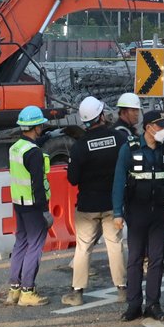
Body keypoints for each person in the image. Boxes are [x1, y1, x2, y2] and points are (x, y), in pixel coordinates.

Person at [113, 108, 164, 323]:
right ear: (149, 128)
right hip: (137, 212)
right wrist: (118, 212)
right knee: (134, 259)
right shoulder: (129, 149)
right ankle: (134, 304)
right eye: (161, 127)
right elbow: (118, 182)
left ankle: (153, 303)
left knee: (157, 259)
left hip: (160, 212)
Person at [62, 96, 127, 305]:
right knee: (115, 245)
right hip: (112, 204)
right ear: (101, 116)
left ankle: (77, 293)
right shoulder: (118, 139)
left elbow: (72, 179)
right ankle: (122, 289)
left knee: (83, 248)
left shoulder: (80, 147)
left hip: (87, 206)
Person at [5, 105, 53, 307]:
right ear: (37, 127)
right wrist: (45, 211)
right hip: (34, 206)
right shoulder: (33, 153)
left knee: (21, 244)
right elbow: (37, 184)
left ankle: (14, 290)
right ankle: (28, 291)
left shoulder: (15, 147)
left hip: (19, 203)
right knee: (34, 245)